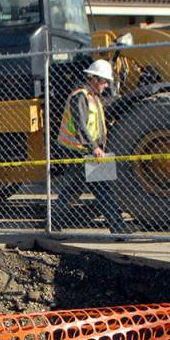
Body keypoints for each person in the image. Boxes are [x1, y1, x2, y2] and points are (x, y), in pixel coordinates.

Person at [51, 58, 131, 234]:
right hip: (77, 151)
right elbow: (80, 125)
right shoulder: (80, 96)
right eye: (103, 81)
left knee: (91, 188)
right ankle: (118, 228)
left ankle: (53, 224)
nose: (105, 86)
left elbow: (97, 125)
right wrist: (94, 147)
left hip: (90, 151)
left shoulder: (94, 97)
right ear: (94, 79)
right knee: (95, 188)